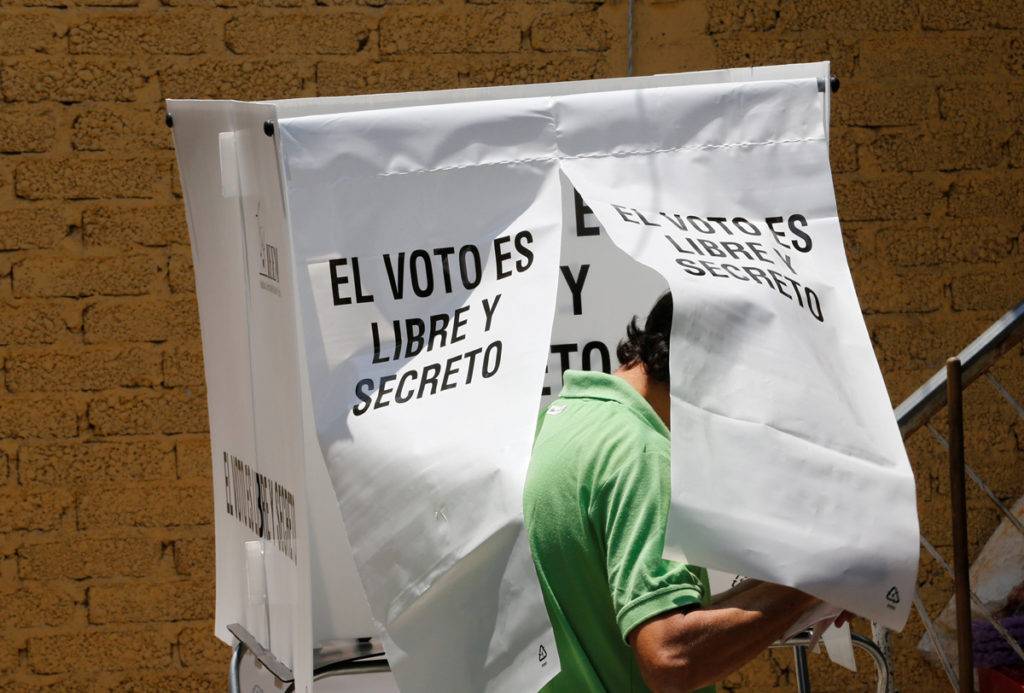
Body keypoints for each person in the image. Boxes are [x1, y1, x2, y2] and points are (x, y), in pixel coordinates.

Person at [524, 292, 845, 692]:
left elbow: (647, 614)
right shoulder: (641, 454)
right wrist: (816, 586)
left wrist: (795, 592)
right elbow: (670, 657)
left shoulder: (556, 423)